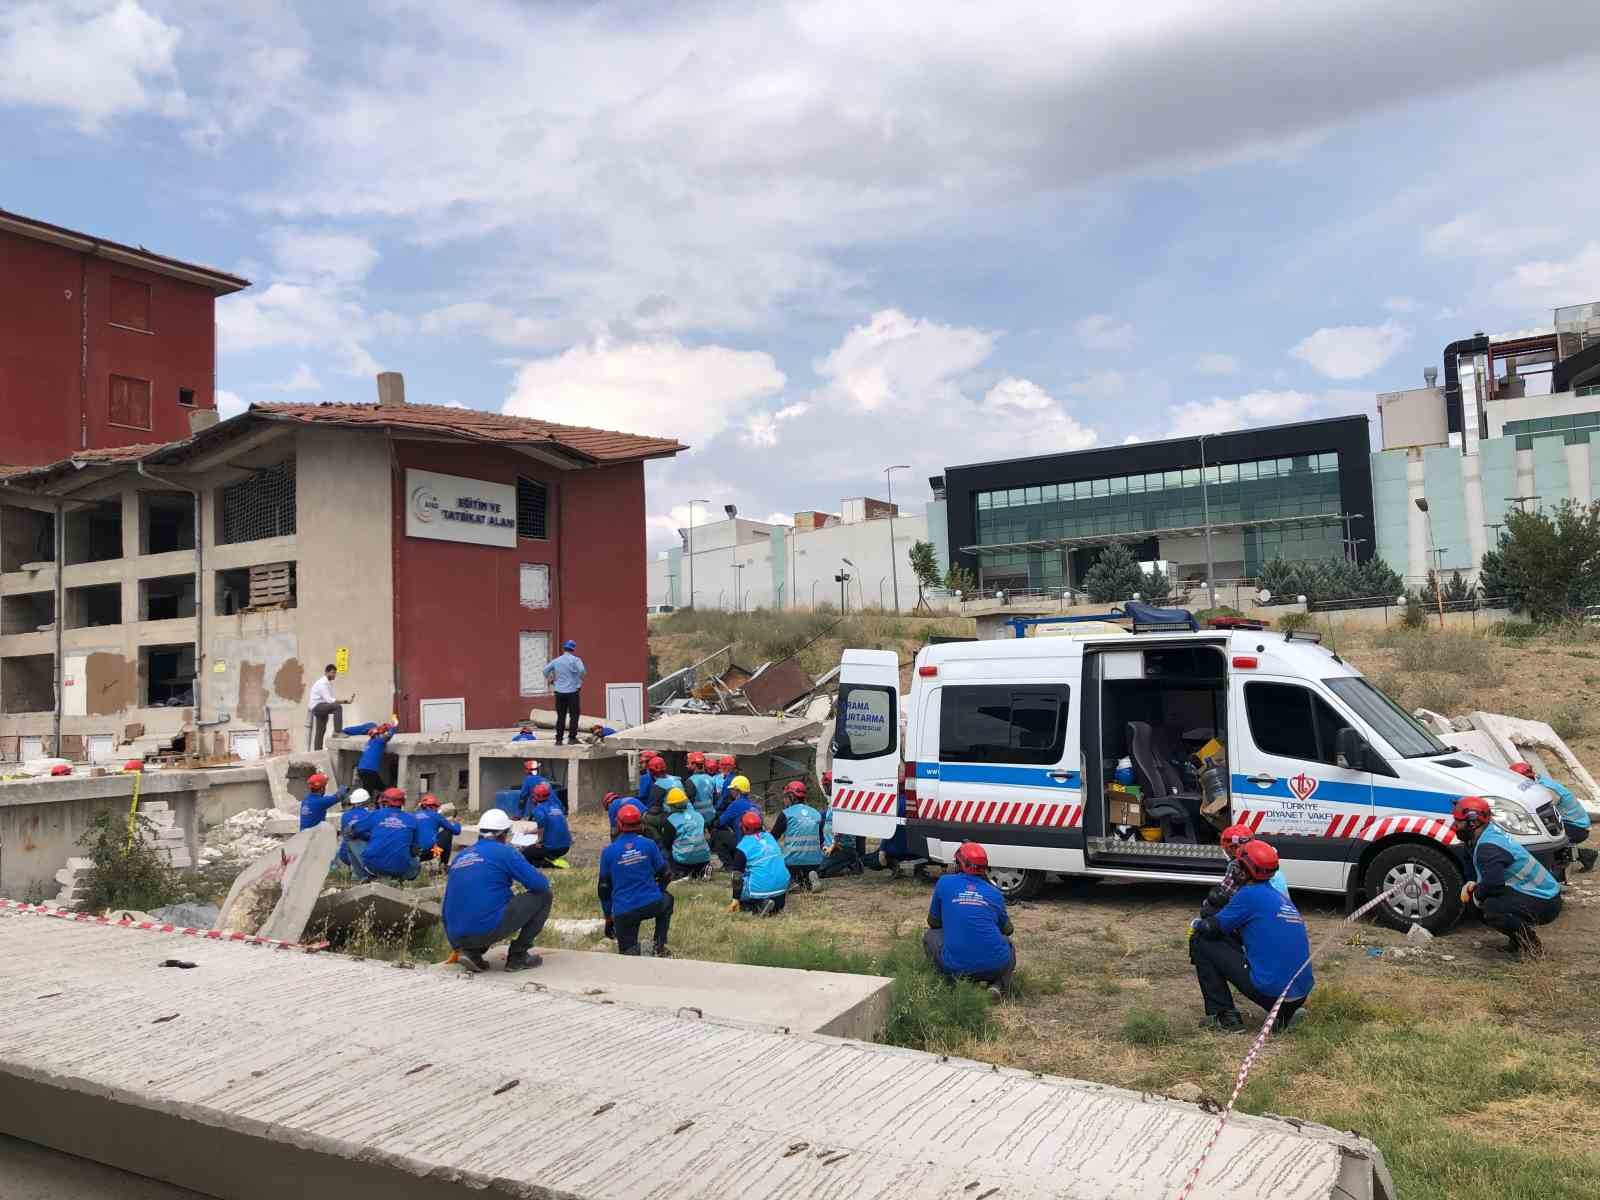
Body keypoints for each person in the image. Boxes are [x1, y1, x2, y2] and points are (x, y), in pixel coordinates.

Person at [1190, 841, 1314, 1032]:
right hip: (1298, 994)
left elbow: (1210, 928)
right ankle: (1285, 1015)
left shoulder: (1248, 895)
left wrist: (1203, 917)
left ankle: (1224, 1016)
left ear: (1244, 870)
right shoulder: (1279, 898)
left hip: (1273, 994)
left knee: (1200, 940)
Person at [442, 808, 551, 972]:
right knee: (544, 896)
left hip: (455, 936)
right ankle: (518, 956)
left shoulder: (461, 855)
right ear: (503, 834)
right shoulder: (504, 852)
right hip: (484, 928)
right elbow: (540, 885)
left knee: (484, 904)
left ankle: (471, 952)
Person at [1453, 794, 1563, 955]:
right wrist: (1473, 884)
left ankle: (1532, 946)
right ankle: (1517, 940)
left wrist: (1476, 896)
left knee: (1492, 908)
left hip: (1545, 902)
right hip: (1540, 894)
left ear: (1473, 822)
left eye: (1458, 821)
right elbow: (1476, 867)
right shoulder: (1484, 835)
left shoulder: (1488, 847)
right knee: (1483, 901)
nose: (1454, 825)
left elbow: (1493, 884)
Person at [924, 842, 1015, 999]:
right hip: (994, 967)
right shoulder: (994, 893)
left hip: (955, 966)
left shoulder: (944, 883)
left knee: (930, 936)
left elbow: (934, 923)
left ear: (958, 864)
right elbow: (1008, 930)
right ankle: (998, 985)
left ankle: (949, 983)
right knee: (1008, 944)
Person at [598, 804, 674, 956]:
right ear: (640, 824)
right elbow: (665, 873)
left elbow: (604, 889)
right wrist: (658, 891)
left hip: (624, 911)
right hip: (652, 904)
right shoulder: (649, 844)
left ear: (618, 824)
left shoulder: (608, 852)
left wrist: (608, 918)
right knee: (668, 900)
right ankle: (659, 945)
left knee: (629, 956)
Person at [1510, 761, 1595, 872]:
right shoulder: (1540, 781)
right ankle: (1582, 856)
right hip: (1576, 823)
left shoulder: (1546, 789)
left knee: (1545, 839)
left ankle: (1582, 856)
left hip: (1577, 827)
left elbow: (1544, 813)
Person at [1200, 822, 1289, 918]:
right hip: (1281, 912)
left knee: (1210, 908)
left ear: (1232, 848)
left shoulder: (1237, 865)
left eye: (1226, 848)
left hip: (1258, 913)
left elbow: (1225, 895)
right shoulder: (1270, 863)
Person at [727, 809, 790, 915]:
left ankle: (758, 905)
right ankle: (774, 905)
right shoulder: (770, 838)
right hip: (782, 889)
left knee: (741, 879)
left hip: (761, 889)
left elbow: (737, 876)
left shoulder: (742, 847)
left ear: (744, 828)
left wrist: (735, 899)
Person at [362, 788, 428, 882]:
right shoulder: (412, 819)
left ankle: (362, 876)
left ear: (384, 802)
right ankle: (398, 880)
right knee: (415, 860)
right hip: (400, 868)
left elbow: (352, 830)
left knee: (353, 838)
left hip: (372, 866)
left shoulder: (375, 814)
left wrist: (370, 837)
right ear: (402, 803)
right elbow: (415, 849)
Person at [772, 780, 825, 892]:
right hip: (815, 862)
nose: (784, 800)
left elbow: (773, 837)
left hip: (792, 862)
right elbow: (821, 840)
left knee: (780, 867)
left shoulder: (786, 813)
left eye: (785, 797)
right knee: (805, 877)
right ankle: (809, 878)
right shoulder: (816, 813)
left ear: (791, 797)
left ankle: (792, 881)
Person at [544, 639, 586, 745]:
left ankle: (558, 740)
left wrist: (551, 679)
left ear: (564, 648)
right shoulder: (576, 660)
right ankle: (572, 738)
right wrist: (579, 680)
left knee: (561, 716)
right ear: (573, 649)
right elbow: (581, 671)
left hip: (559, 692)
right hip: (572, 692)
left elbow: (545, 670)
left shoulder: (556, 660)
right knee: (574, 715)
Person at [664, 786, 711, 879]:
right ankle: (702, 871)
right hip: (704, 858)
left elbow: (667, 843)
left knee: (666, 852)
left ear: (671, 805)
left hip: (683, 861)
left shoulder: (671, 820)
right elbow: (707, 835)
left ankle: (678, 874)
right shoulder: (698, 815)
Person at [712, 775, 758, 869]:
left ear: (738, 791)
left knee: (716, 833)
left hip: (742, 846)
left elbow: (719, 823)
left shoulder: (736, 804)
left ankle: (729, 865)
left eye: (732, 789)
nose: (731, 791)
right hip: (755, 845)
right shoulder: (754, 805)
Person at [525, 781, 572, 868]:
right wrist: (529, 832)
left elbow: (542, 822)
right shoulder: (555, 806)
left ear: (534, 797)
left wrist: (539, 841)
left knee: (526, 853)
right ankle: (551, 858)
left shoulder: (538, 809)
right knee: (535, 852)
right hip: (566, 847)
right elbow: (548, 824)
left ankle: (550, 863)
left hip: (552, 848)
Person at [308, 664, 353, 751]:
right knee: (337, 707)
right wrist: (346, 701)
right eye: (332, 673)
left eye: (335, 673)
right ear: (326, 672)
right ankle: (337, 732)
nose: (334, 675)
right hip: (317, 707)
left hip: (321, 706)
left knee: (320, 731)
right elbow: (330, 700)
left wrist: (345, 701)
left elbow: (329, 700)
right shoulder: (323, 683)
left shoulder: (327, 683)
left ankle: (317, 751)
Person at [344, 720, 396, 795]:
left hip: (362, 770)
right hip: (369, 771)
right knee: (368, 793)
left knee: (380, 787)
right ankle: (368, 804)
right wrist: (394, 727)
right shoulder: (380, 741)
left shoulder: (370, 741)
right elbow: (389, 735)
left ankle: (380, 799)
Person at [336, 787, 379, 879]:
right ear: (367, 801)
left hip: (344, 854)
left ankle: (355, 873)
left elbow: (345, 834)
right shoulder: (369, 815)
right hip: (360, 855)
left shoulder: (345, 815)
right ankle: (364, 875)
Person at [818, 800, 865, 878]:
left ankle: (853, 866)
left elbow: (840, 825)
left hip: (842, 848)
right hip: (831, 850)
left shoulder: (843, 804)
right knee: (821, 869)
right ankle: (850, 864)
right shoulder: (829, 808)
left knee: (820, 871)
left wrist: (833, 845)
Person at [415, 794, 461, 865]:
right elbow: (456, 831)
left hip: (414, 854)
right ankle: (443, 865)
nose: (437, 809)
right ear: (433, 806)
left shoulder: (413, 816)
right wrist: (457, 822)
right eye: (436, 807)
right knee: (447, 832)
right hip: (430, 853)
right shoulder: (436, 816)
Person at [686, 752, 717, 824]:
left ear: (694, 765)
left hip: (697, 818)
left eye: (689, 764)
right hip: (711, 816)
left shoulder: (690, 781)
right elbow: (715, 800)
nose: (687, 766)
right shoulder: (711, 779)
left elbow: (688, 803)